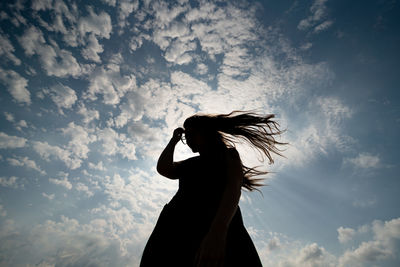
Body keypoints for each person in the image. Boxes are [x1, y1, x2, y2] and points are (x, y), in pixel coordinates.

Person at [140, 111, 285, 267]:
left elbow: (233, 189)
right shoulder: (189, 163)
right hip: (177, 225)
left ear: (206, 133)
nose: (187, 140)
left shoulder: (228, 155)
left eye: (192, 134)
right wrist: (174, 140)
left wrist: (218, 231)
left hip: (215, 223)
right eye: (185, 136)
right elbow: (164, 168)